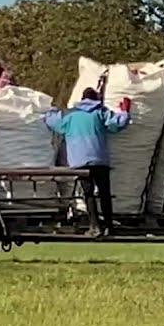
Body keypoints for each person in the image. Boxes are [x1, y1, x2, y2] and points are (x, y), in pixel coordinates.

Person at [44, 88, 131, 237]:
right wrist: (124, 111)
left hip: (80, 162)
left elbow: (53, 122)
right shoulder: (100, 112)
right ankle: (109, 226)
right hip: (99, 160)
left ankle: (94, 226)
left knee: (88, 193)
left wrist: (49, 110)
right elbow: (117, 124)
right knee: (104, 193)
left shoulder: (70, 115)